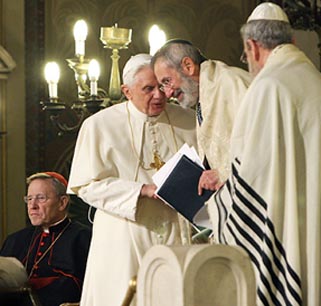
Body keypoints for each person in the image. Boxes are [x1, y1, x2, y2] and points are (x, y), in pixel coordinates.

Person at [206, 2, 321, 306]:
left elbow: (253, 182)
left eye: (246, 55)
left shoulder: (267, 88)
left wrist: (214, 208)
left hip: (290, 238)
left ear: (252, 46)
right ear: (293, 42)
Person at [67, 53, 197, 306]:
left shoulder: (189, 121)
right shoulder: (99, 125)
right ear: (127, 91)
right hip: (123, 238)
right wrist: (141, 190)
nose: (159, 95)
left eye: (162, 86)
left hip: (176, 232)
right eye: (148, 89)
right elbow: (86, 185)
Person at [151, 39, 251, 189]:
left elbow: (262, 143)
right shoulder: (203, 94)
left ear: (188, 66)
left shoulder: (232, 83)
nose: (168, 93)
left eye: (167, 81)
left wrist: (222, 173)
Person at [0, 172, 92, 306]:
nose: (32, 206)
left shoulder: (83, 238)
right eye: (29, 199)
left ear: (62, 202)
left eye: (41, 198)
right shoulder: (15, 239)